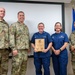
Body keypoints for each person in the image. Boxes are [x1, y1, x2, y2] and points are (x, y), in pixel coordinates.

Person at [9, 11, 30, 75]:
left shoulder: (26, 27)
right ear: (17, 16)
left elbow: (27, 37)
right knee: (16, 69)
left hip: (25, 51)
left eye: (23, 15)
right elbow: (11, 37)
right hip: (17, 51)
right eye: (20, 15)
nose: (21, 17)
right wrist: (13, 48)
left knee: (23, 69)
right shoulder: (13, 25)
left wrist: (28, 47)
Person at [0, 7, 9, 75]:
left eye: (3, 11)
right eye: (1, 11)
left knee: (4, 70)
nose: (2, 12)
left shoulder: (6, 24)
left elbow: (9, 37)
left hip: (5, 51)